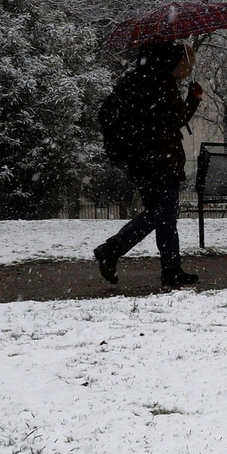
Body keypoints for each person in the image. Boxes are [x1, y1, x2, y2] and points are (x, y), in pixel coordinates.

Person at [94, 39, 203, 288]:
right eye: (184, 62)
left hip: (143, 160)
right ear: (172, 61)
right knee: (162, 215)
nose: (185, 67)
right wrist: (194, 98)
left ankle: (170, 269)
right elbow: (175, 117)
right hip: (160, 160)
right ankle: (113, 249)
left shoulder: (139, 80)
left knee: (163, 215)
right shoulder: (161, 83)